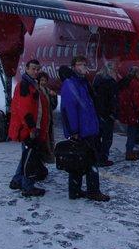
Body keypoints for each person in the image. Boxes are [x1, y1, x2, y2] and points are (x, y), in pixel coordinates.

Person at [60, 56, 110, 202]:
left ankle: (75, 191)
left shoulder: (83, 83)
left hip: (89, 128)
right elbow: (69, 109)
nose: (83, 67)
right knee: (90, 161)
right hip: (82, 131)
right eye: (80, 64)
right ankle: (93, 191)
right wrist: (74, 131)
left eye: (84, 64)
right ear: (73, 67)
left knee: (79, 160)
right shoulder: (71, 84)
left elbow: (88, 107)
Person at [8, 59, 50, 197]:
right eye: (33, 69)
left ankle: (17, 180)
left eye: (37, 69)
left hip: (32, 127)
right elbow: (24, 110)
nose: (36, 71)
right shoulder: (25, 85)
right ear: (26, 69)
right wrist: (31, 128)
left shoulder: (33, 85)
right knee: (29, 158)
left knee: (26, 155)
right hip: (29, 129)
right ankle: (27, 186)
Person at [92, 61, 119, 167]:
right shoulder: (110, 83)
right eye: (114, 70)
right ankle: (103, 158)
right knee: (107, 139)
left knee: (97, 137)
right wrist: (113, 113)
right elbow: (113, 99)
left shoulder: (97, 81)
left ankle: (97, 156)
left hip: (98, 113)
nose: (115, 72)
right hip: (106, 115)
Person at [118, 66, 139, 161]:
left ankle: (129, 150)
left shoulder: (125, 81)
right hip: (132, 111)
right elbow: (137, 98)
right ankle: (129, 153)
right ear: (136, 73)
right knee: (132, 132)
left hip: (127, 109)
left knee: (130, 131)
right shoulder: (134, 83)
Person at [37, 71, 57, 164]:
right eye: (41, 80)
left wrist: (54, 97)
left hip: (48, 120)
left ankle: (44, 161)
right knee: (43, 143)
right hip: (42, 121)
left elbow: (52, 106)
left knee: (48, 141)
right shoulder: (37, 91)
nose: (43, 82)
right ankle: (41, 162)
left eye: (45, 80)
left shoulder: (47, 91)